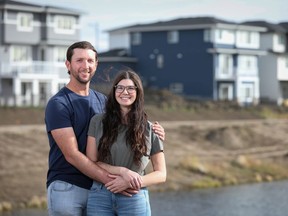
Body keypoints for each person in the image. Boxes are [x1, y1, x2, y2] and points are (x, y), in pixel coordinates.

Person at [45, 41, 165, 216]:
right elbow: (72, 154)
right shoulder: (59, 104)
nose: (85, 66)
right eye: (79, 60)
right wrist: (117, 181)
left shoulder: (104, 102)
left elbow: (127, 130)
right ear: (68, 65)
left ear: (96, 65)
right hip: (70, 186)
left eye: (90, 61)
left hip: (99, 190)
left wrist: (156, 133)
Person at [86, 70, 167, 216]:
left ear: (138, 92)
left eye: (130, 88)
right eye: (120, 87)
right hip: (100, 196)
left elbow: (161, 174)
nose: (125, 92)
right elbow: (91, 161)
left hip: (133, 197)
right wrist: (124, 172)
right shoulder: (97, 122)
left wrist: (130, 182)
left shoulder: (150, 129)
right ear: (114, 90)